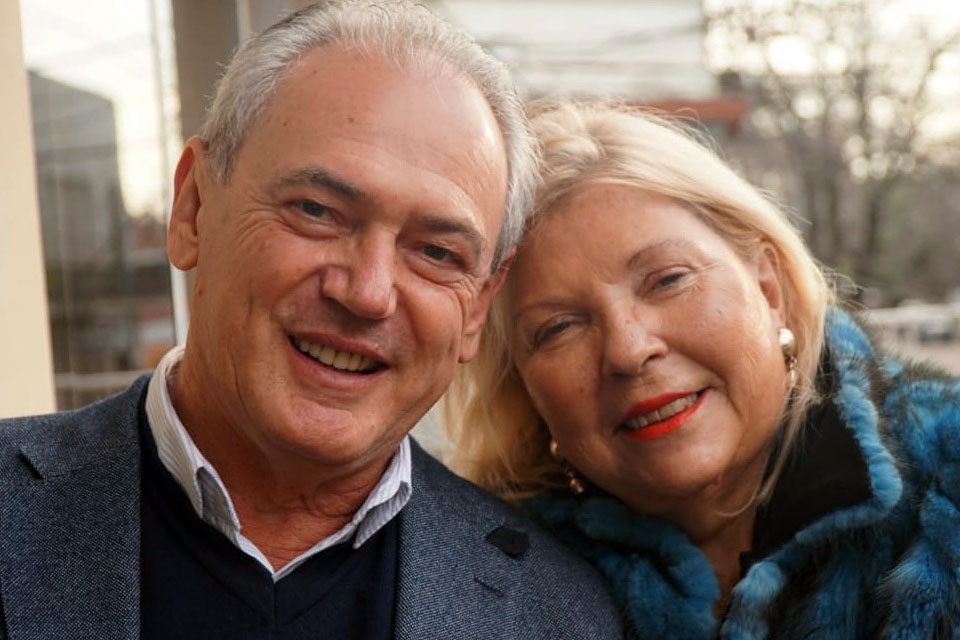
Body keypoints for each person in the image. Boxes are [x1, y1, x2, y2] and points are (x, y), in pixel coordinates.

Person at [0, 7, 625, 639]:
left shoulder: (561, 615)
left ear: (481, 303)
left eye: (437, 253)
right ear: (193, 209)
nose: (368, 293)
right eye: (317, 210)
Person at [447, 99, 960, 639]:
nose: (628, 350)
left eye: (669, 280)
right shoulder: (478, 581)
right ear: (525, 390)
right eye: (558, 328)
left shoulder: (944, 492)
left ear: (768, 287)